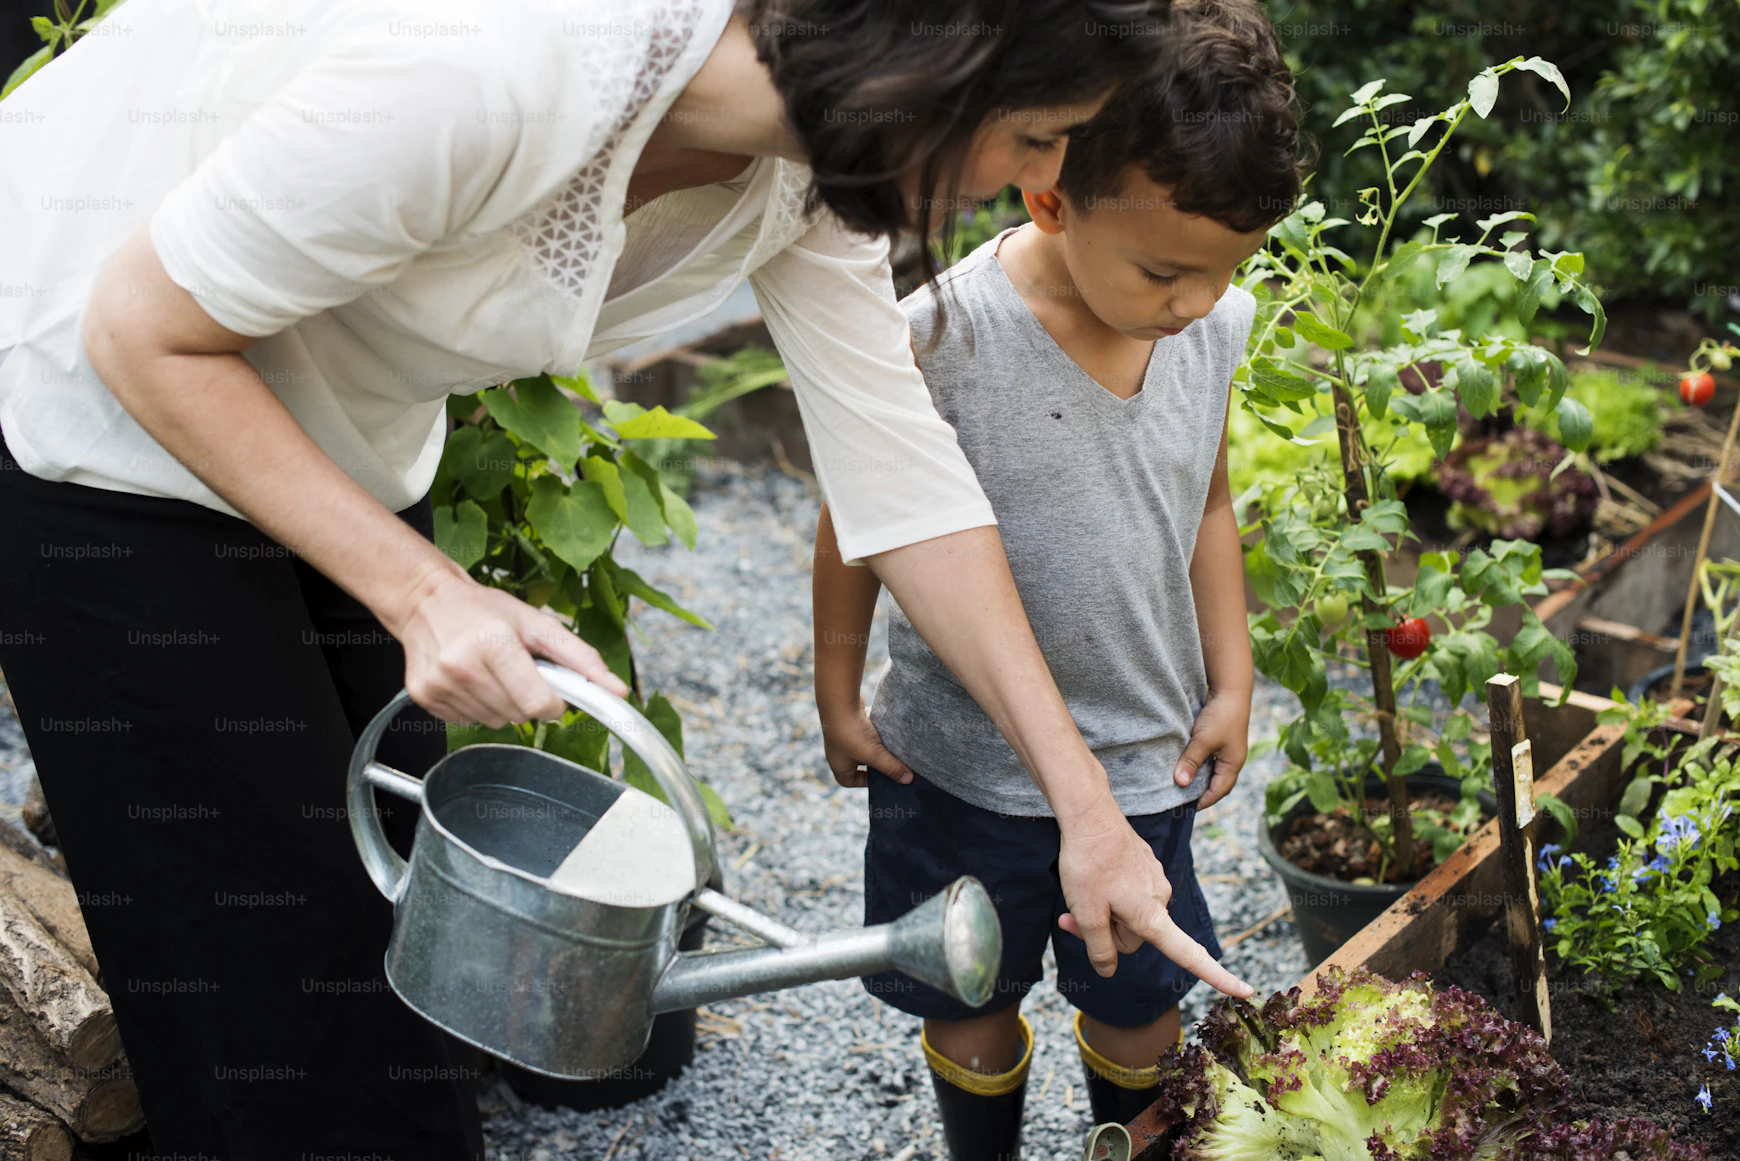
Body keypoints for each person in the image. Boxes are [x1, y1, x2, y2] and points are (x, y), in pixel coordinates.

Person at [0, 0, 1254, 1153]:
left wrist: (1087, 810)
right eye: (1037, 134)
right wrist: (427, 591)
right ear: (929, 69)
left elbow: (909, 495)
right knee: (265, 1007)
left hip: (325, 427)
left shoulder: (818, 175)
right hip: (92, 399)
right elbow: (140, 329)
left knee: (398, 946)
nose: (1045, 181)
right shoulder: (508, 64)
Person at [812, 2, 1303, 1153]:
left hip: (1141, 764)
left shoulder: (1213, 324)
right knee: (968, 991)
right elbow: (860, 522)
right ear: (1049, 197)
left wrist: (1231, 679)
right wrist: (839, 694)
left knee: (1141, 1005)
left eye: (1225, 273)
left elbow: (1209, 501)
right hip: (961, 769)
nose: (1197, 306)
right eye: (1165, 272)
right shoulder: (946, 335)